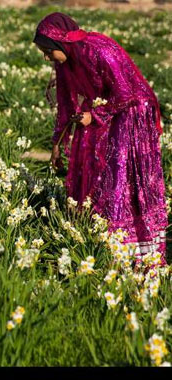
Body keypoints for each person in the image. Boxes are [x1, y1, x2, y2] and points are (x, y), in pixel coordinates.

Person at [34, 12, 167, 265]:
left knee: (119, 172)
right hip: (108, 109)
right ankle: (100, 237)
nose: (46, 57)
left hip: (133, 111)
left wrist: (94, 115)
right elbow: (65, 105)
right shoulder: (65, 64)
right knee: (94, 165)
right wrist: (55, 145)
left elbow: (127, 93)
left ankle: (133, 247)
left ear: (60, 44)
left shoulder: (98, 50)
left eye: (48, 51)